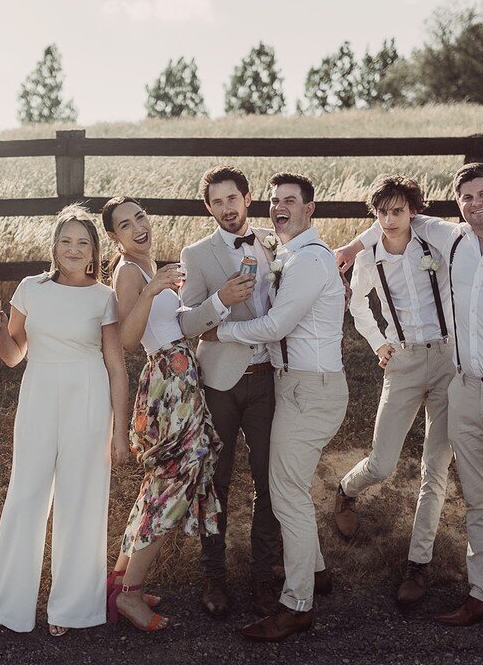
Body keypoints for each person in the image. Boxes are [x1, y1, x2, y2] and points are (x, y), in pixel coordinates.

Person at [342, 163, 483, 661]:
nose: (476, 203)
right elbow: (391, 220)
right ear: (457, 204)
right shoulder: (450, 240)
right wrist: (351, 248)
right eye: (466, 197)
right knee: (480, 502)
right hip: (464, 389)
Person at [202, 173, 347, 642]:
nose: (280, 207)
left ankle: (297, 604)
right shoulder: (285, 251)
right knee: (291, 485)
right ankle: (317, 573)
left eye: (291, 201)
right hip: (294, 385)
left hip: (311, 387)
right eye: (275, 200)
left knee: (285, 494)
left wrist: (218, 332)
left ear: (311, 209)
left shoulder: (307, 261)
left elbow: (277, 324)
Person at [0, 205, 130, 637]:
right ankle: (14, 606)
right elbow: (13, 357)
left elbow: (116, 366)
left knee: (82, 499)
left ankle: (70, 609)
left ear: (94, 249)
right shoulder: (31, 289)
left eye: (82, 242)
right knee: (26, 495)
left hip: (88, 395)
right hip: (38, 392)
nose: (73, 249)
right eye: (66, 241)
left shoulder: (103, 297)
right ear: (54, 246)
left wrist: (120, 431)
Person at [333, 174, 456, 609]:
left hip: (447, 359)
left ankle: (417, 564)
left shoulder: (434, 243)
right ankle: (346, 490)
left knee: (435, 467)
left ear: (413, 212)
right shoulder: (369, 257)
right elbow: (357, 302)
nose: (389, 219)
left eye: (398, 211)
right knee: (383, 463)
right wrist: (378, 342)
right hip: (401, 361)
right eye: (382, 212)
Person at [102, 195, 222, 632]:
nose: (137, 227)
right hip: (166, 383)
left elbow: (173, 323)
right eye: (125, 224)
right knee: (174, 485)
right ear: (115, 237)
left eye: (140, 217)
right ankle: (131, 594)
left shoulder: (152, 266)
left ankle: (118, 583)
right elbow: (129, 339)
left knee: (159, 485)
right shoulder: (129, 272)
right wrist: (153, 290)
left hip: (181, 377)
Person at [178, 166, 281, 618]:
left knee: (270, 481)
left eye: (231, 199)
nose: (226, 209)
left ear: (248, 198)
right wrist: (219, 300)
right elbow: (186, 323)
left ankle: (263, 575)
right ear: (208, 207)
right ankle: (213, 577)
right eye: (216, 202)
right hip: (220, 382)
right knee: (216, 482)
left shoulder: (276, 243)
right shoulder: (196, 254)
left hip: (269, 378)